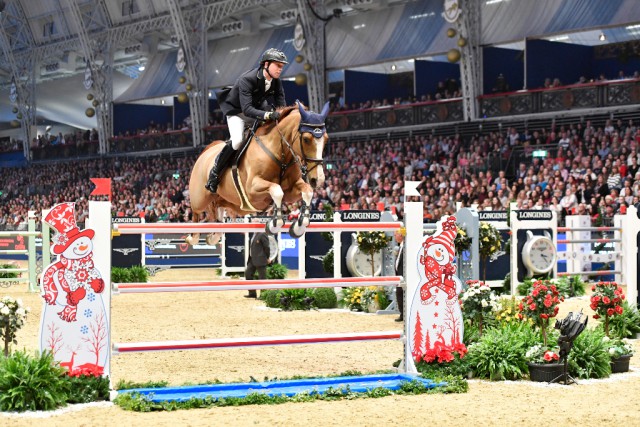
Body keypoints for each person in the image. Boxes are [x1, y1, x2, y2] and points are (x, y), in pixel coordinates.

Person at [206, 48, 289, 193]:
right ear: (266, 64)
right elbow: (247, 110)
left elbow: (281, 105)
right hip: (237, 112)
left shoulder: (276, 81)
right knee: (237, 140)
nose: (280, 69)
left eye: (282, 66)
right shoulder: (247, 79)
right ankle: (214, 173)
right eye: (277, 65)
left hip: (256, 108)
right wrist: (269, 115)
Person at [244, 232, 271, 298]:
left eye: (255, 221)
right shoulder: (253, 234)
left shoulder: (263, 234)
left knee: (262, 277)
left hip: (261, 259)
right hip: (252, 259)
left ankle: (263, 295)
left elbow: (266, 247)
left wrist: (267, 257)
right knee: (248, 274)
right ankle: (252, 293)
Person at [394, 227, 406, 322]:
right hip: (399, 274)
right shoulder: (401, 246)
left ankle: (403, 314)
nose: (394, 237)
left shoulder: (406, 246)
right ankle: (402, 314)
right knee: (399, 294)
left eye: (395, 235)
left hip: (404, 275)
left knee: (400, 294)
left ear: (401, 235)